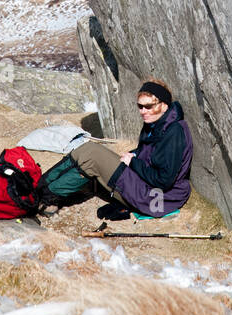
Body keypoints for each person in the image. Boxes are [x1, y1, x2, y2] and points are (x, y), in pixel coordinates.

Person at [37, 79, 192, 220]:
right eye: (140, 106)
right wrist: (135, 154)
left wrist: (134, 163)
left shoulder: (174, 133)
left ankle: (45, 198)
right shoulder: (156, 123)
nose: (143, 111)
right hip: (144, 184)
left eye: (148, 107)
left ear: (163, 104)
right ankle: (39, 186)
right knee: (85, 149)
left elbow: (163, 181)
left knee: (92, 156)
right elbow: (147, 152)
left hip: (157, 198)